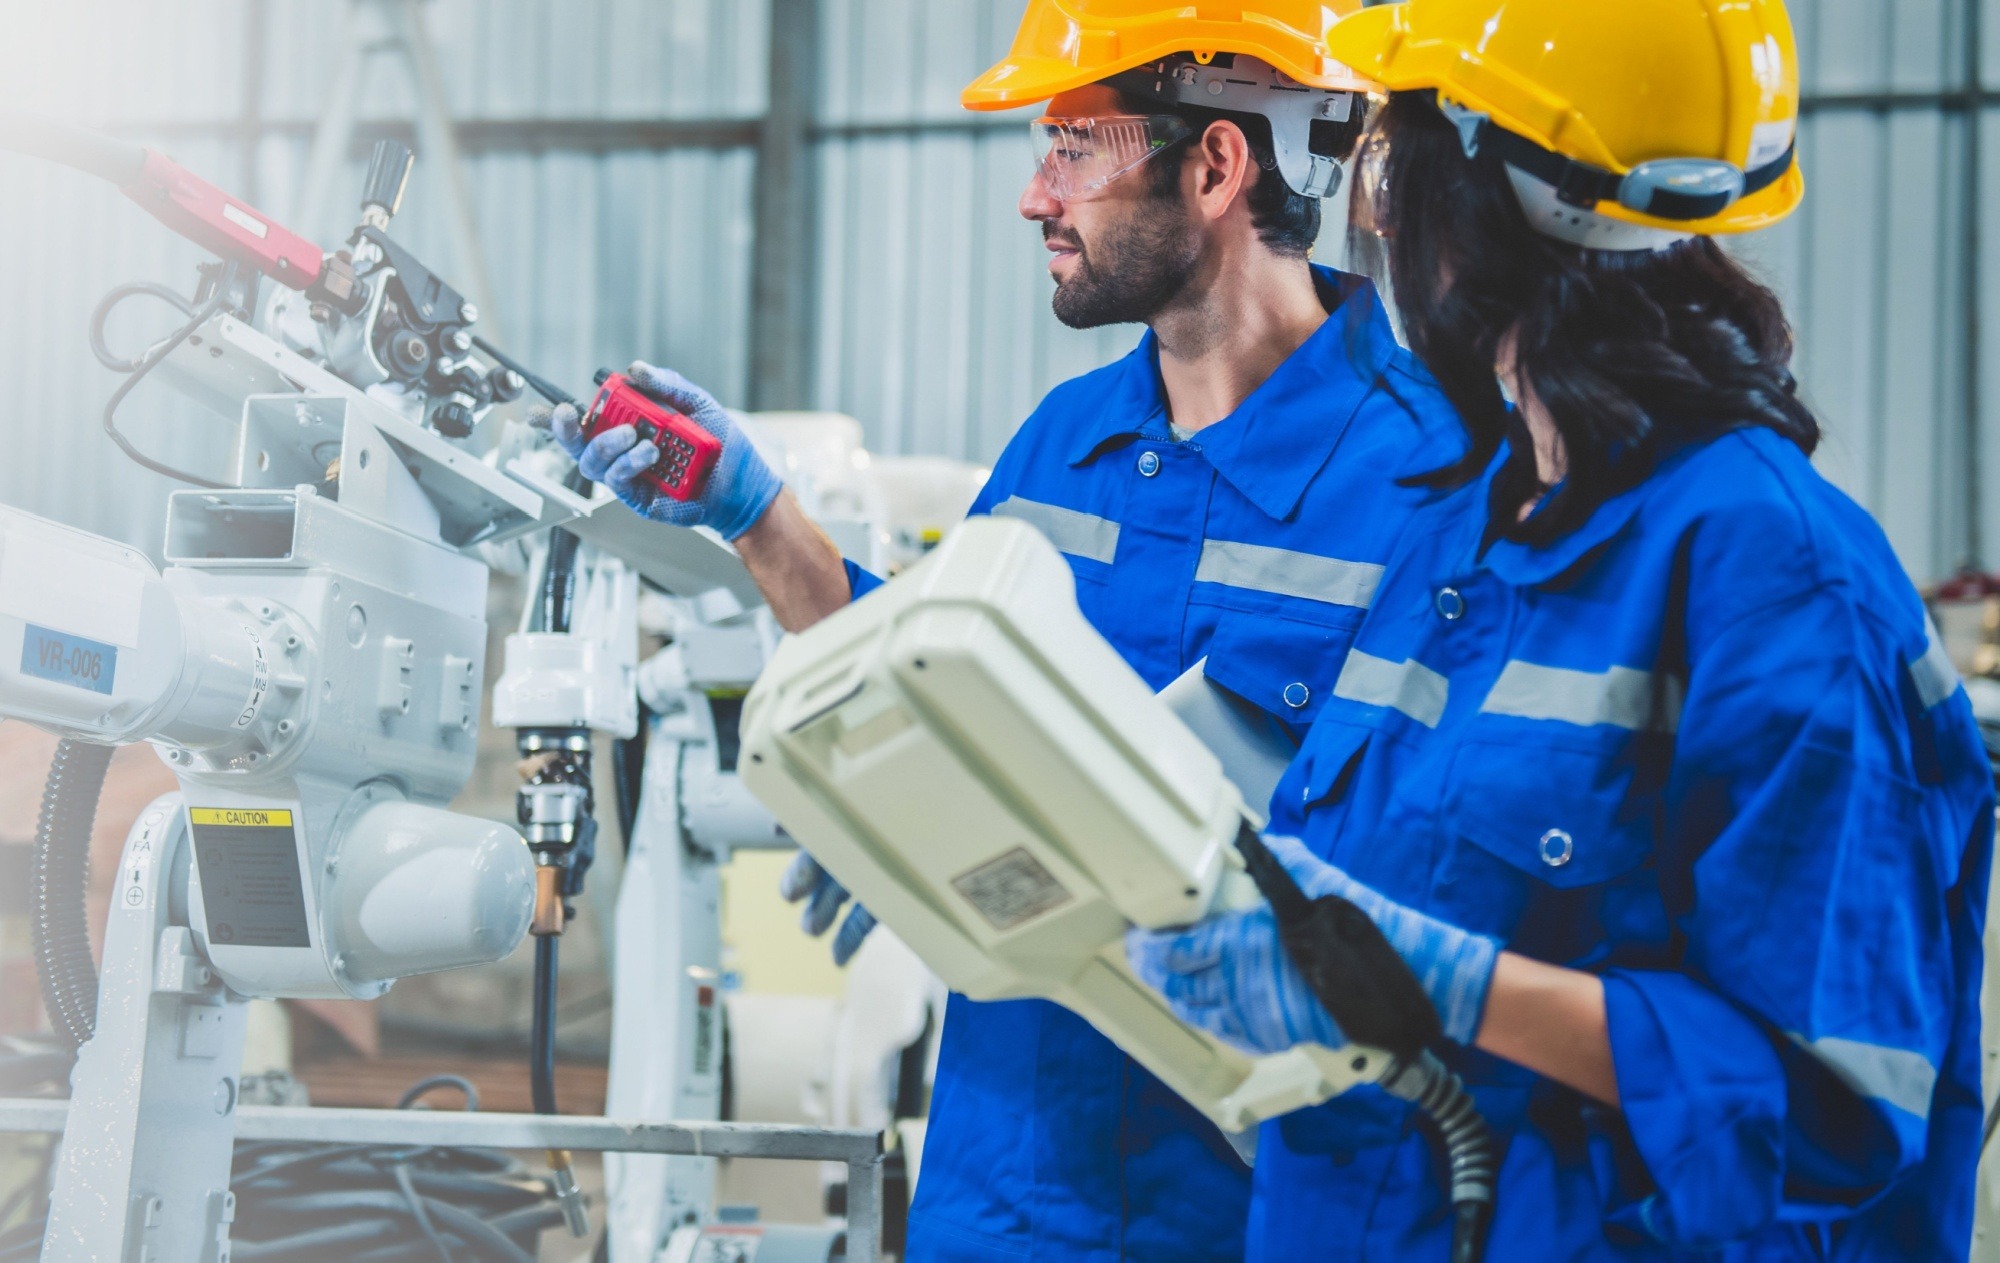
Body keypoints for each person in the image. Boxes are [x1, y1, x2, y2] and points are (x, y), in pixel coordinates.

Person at [545, 3, 1474, 1255]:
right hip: (1008, 1187)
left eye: (1072, 149)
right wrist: (755, 513)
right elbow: (931, 676)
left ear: (1215, 167)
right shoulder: (1061, 446)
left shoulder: (1434, 485)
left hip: (1264, 1207)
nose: (1036, 198)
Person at [1127, 0, 1995, 1258]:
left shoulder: (1768, 571)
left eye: (1391, 153)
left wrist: (1447, 990)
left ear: (1489, 197)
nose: (1371, 208)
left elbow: (1833, 1106)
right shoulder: (1464, 529)